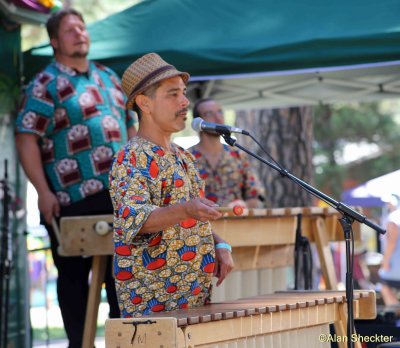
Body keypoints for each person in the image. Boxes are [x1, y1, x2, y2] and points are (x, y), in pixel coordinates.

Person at [15, 8, 137, 347]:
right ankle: (78, 344)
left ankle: (122, 340)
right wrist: (42, 192)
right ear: (55, 41)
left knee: (121, 275)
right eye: (70, 30)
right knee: (73, 279)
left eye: (82, 28)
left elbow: (130, 124)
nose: (80, 34)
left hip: (119, 195)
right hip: (70, 197)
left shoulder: (109, 77)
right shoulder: (44, 83)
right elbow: (26, 137)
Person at [109, 52, 234, 317]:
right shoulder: (131, 157)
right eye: (173, 94)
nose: (185, 101)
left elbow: (189, 220)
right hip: (154, 307)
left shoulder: (185, 156)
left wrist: (218, 243)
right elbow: (136, 220)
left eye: (184, 92)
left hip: (192, 299)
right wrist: (187, 209)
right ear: (145, 103)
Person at [188, 98, 265, 209]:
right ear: (198, 122)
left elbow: (255, 195)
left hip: (235, 223)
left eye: (220, 112)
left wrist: (243, 205)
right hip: (201, 224)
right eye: (209, 113)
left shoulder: (238, 155)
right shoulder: (186, 158)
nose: (218, 118)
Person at [379, 195, 400, 306]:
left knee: (384, 286)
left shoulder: (393, 218)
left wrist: (385, 262)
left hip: (395, 264)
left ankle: (395, 313)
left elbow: (391, 243)